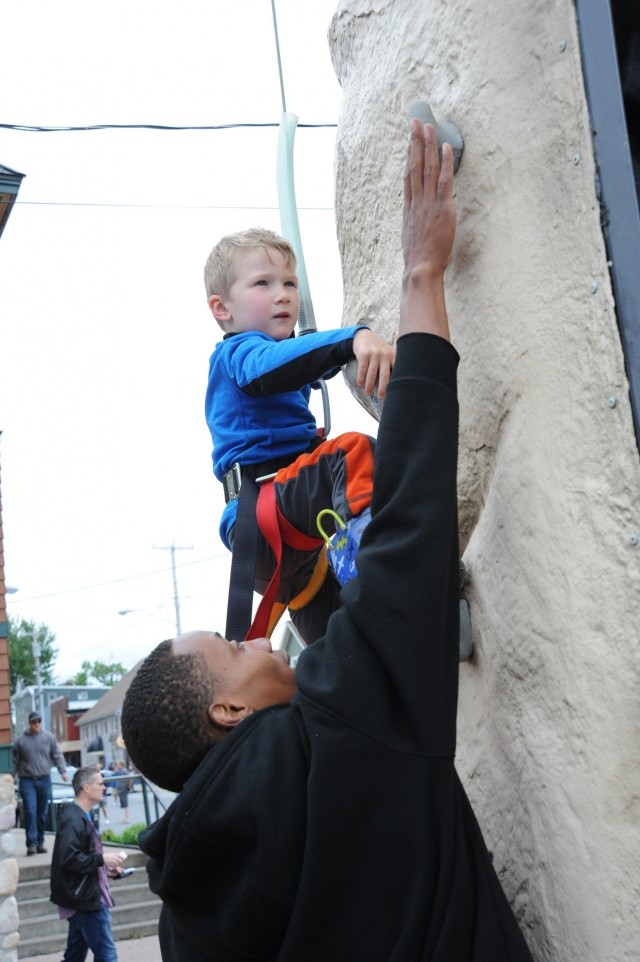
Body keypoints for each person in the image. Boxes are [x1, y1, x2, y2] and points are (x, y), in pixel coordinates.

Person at [121, 121, 536, 961]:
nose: (244, 634)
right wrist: (419, 278)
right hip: (268, 509)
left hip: (274, 523)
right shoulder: (342, 727)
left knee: (312, 588)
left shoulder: (188, 929)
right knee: (354, 463)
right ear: (226, 710)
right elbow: (412, 508)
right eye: (226, 646)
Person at [203, 224, 396, 643]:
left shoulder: (274, 356)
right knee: (352, 455)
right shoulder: (238, 353)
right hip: (265, 507)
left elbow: (299, 362)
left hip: (288, 548)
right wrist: (353, 340)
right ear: (223, 309)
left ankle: (376, 652)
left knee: (343, 646)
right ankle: (391, 567)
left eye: (290, 282)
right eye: (263, 283)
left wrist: (328, 360)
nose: (284, 294)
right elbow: (275, 366)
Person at [50, 767, 124, 962]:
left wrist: (106, 869)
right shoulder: (74, 818)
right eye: (100, 783)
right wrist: (101, 860)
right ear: (86, 788)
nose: (104, 787)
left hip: (82, 896)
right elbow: (69, 859)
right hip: (86, 899)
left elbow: (77, 858)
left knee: (75, 956)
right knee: (107, 956)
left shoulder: (79, 816)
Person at [13, 710, 68, 856]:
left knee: (42, 813)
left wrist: (63, 771)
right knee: (30, 811)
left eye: (38, 721)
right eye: (33, 722)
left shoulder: (49, 737)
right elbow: (14, 762)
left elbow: (57, 755)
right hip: (27, 780)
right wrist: (10, 778)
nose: (36, 724)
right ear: (29, 723)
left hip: (44, 779)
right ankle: (31, 843)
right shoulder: (20, 741)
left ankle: (40, 842)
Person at [93, 762, 109, 826]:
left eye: (98, 766)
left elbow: (105, 784)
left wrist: (104, 792)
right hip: (94, 793)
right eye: (96, 766)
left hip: (101, 793)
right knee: (95, 808)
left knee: (103, 806)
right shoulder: (93, 775)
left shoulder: (102, 775)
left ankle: (106, 818)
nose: (97, 768)